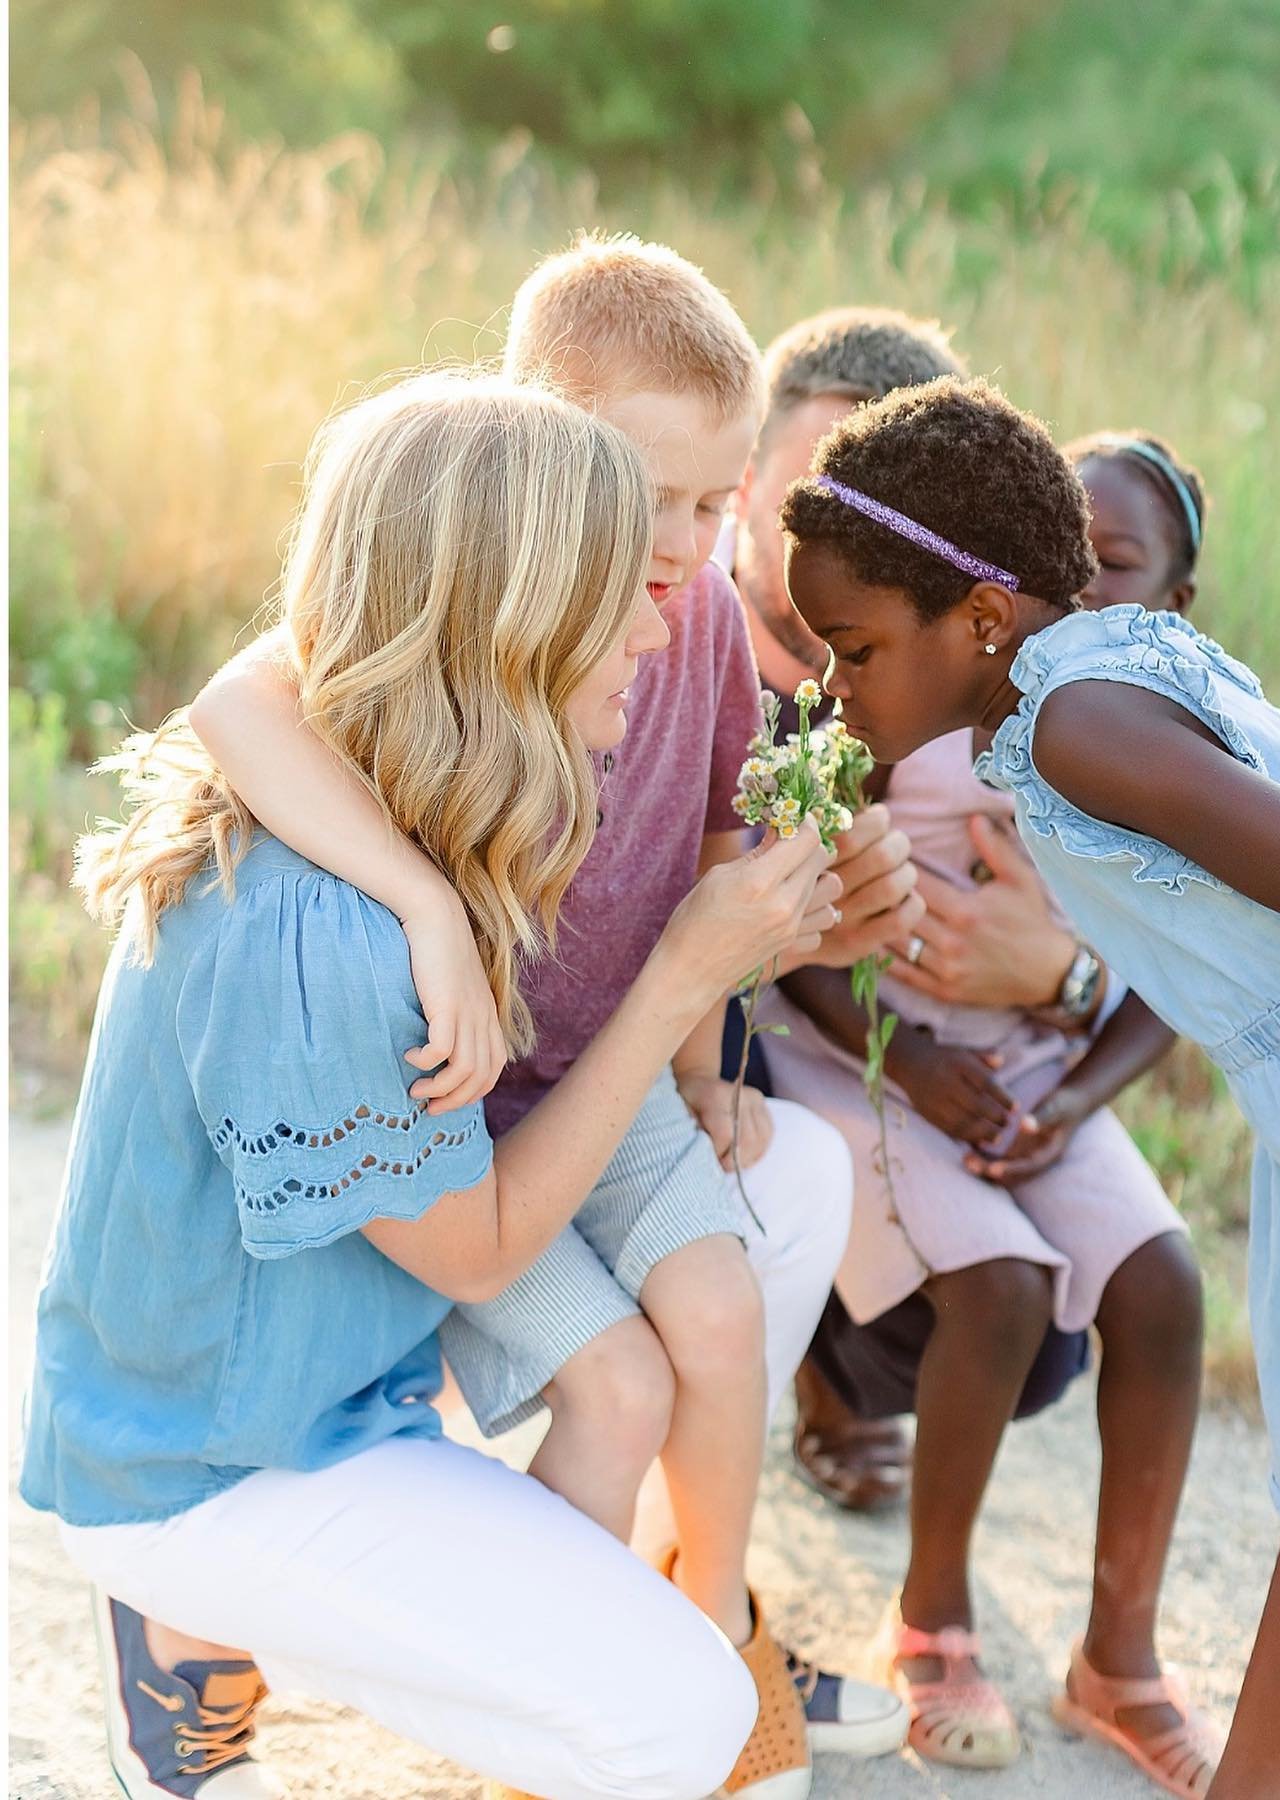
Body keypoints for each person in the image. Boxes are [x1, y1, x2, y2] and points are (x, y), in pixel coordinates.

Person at [20, 372, 847, 1800]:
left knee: (784, 1207)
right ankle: (191, 1627)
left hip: (335, 1414)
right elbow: (479, 1247)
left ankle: (503, 1670)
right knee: (675, 1718)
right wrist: (676, 986)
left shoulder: (402, 815)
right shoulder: (316, 931)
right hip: (214, 1472)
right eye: (621, 595)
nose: (661, 628)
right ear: (505, 625)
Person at [186, 238, 911, 1794]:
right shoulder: (462, 603)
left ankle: (708, 1653)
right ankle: (562, 1708)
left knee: (717, 1318)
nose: (690, 545)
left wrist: (718, 1051)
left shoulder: (706, 618)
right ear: (529, 447)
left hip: (618, 1066)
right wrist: (431, 902)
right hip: (458, 1101)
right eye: (653, 499)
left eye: (721, 506)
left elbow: (718, 837)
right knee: (621, 1381)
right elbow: (237, 705)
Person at [780, 374, 1280, 1800]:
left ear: (981, 618)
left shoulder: (1081, 725)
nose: (832, 687)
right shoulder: (1080, 686)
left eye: (851, 648)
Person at [757, 424, 1213, 1793]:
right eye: (1067, 563)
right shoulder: (926, 713)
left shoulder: (1162, 752)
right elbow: (801, 932)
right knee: (1004, 1286)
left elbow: (1180, 973)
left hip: (1033, 1079)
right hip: (880, 1061)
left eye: (1116, 568)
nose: (1085, 593)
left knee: (1169, 1286)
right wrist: (906, 1053)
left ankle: (1118, 1660)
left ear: (1179, 604)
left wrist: (1070, 1099)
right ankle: (933, 1621)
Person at [723, 309, 1105, 1511]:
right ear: (744, 483)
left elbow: (1128, 902)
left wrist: (1064, 976)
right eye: (804, 492)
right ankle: (750, 1407)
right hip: (731, 1054)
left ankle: (848, 1370)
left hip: (939, 1050)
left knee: (1033, 1340)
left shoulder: (978, 695)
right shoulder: (669, 651)